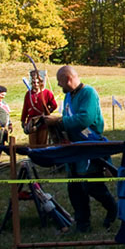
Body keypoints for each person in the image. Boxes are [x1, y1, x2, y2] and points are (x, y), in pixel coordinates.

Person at [43, 66, 118, 233]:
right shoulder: (68, 96)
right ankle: (82, 223)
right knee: (75, 188)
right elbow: (69, 118)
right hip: (73, 148)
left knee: (93, 186)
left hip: (90, 146)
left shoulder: (88, 93)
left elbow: (85, 118)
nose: (59, 85)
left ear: (68, 79)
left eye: (60, 82)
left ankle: (113, 209)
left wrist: (59, 121)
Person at [21, 71, 58, 147]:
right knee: (33, 143)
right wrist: (23, 120)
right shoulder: (29, 94)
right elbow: (25, 108)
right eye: (34, 82)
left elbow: (54, 105)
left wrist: (47, 112)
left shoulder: (47, 93)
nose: (36, 84)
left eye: (38, 82)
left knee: (42, 143)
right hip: (32, 121)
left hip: (43, 121)